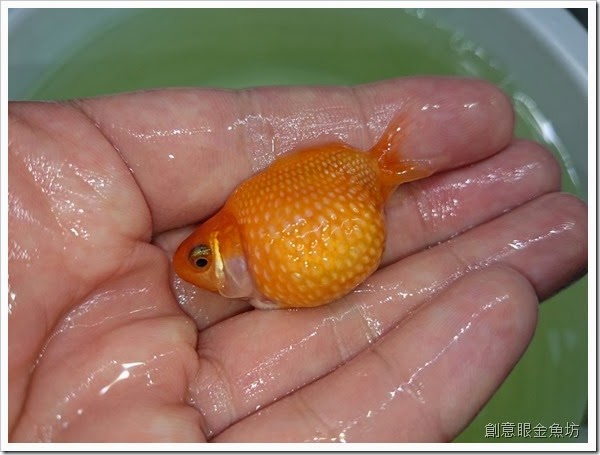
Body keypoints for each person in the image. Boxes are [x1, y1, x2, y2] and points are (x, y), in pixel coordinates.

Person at [8, 77, 587, 442]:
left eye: (204, 260)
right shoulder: (248, 239)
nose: (201, 271)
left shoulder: (255, 222)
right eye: (203, 261)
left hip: (350, 192)